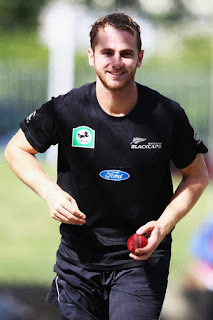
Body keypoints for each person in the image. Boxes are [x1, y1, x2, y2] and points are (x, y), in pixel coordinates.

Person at [4, 12, 209, 320]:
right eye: (107, 52)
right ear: (92, 56)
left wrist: (163, 226)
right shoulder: (65, 110)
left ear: (140, 58)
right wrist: (50, 193)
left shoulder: (167, 116)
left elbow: (197, 175)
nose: (117, 61)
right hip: (78, 264)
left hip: (140, 260)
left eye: (126, 53)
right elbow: (17, 149)